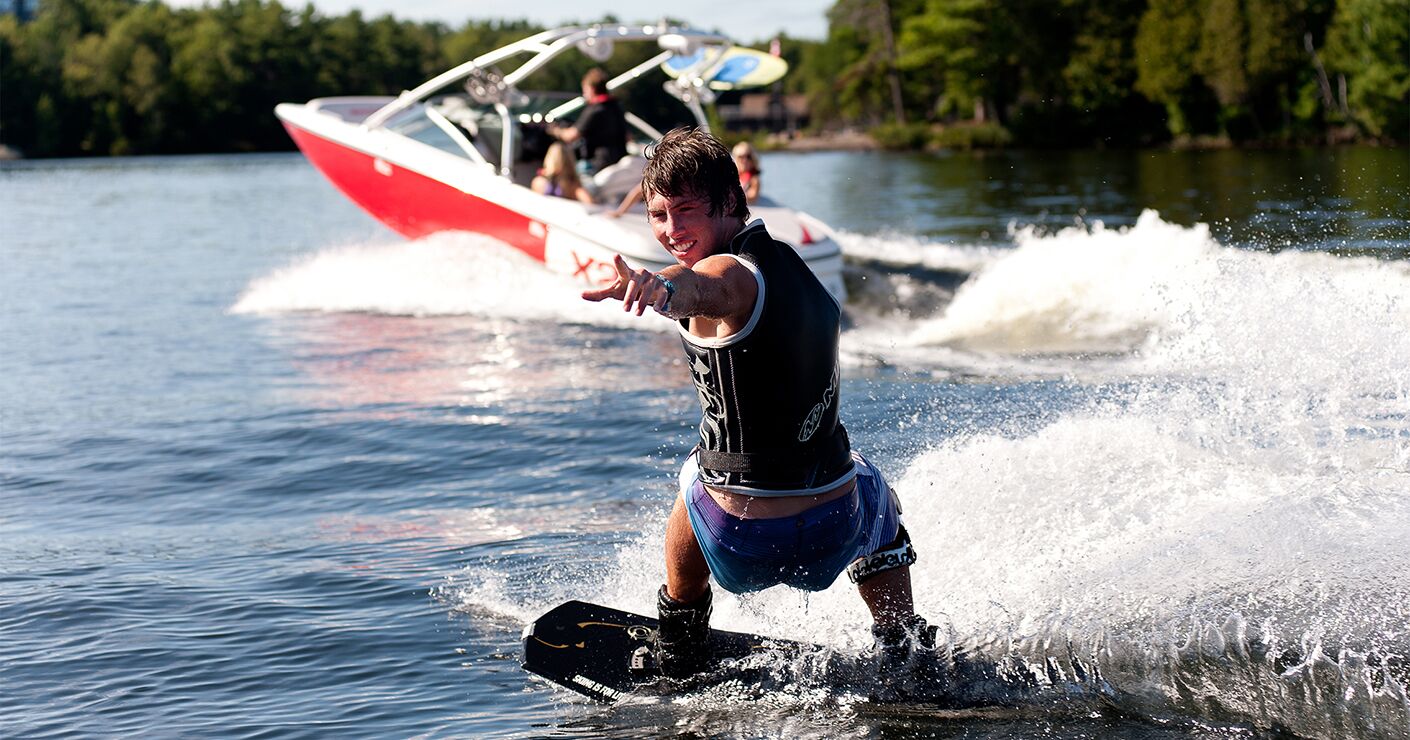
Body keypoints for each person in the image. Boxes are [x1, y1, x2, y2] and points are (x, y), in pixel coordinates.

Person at [582, 127, 934, 682]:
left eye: (686, 211)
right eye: (657, 215)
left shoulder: (731, 272)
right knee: (873, 487)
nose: (671, 231)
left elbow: (701, 288)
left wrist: (661, 289)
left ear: (728, 202)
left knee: (692, 474)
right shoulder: (794, 267)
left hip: (742, 535)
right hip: (836, 528)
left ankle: (679, 644)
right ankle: (903, 644)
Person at [608, 142, 760, 217]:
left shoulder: (749, 178)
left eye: (748, 157)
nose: (745, 160)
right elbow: (640, 190)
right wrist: (620, 212)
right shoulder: (728, 175)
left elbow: (753, 195)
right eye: (741, 156)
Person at [552, 68, 628, 175]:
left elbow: (571, 136)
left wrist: (555, 131)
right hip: (620, 161)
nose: (584, 94)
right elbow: (628, 136)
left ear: (591, 89)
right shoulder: (615, 106)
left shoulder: (594, 110)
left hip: (600, 165)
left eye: (584, 90)